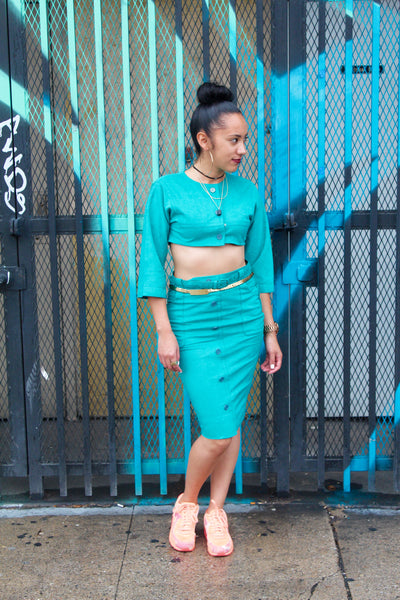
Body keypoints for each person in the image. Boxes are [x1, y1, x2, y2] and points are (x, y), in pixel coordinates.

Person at [138, 82, 282, 557]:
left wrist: (269, 330)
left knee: (230, 416)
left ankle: (216, 511)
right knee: (219, 425)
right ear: (204, 140)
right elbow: (152, 265)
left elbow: (261, 264)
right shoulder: (167, 190)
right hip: (192, 319)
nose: (242, 150)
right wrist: (164, 331)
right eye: (233, 140)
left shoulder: (248, 193)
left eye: (245, 141)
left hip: (243, 316)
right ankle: (187, 504)